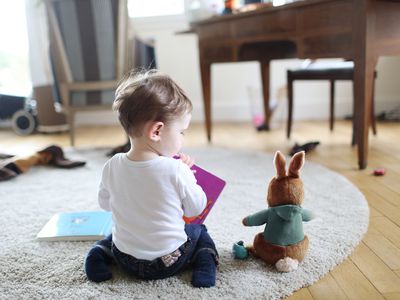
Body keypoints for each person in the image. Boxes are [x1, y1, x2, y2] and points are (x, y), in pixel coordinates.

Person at [84, 69, 218, 287]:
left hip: (125, 260)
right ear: (156, 131)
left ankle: (98, 254)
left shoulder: (112, 165)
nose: (183, 138)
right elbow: (195, 209)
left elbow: (105, 204)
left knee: (117, 232)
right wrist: (188, 178)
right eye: (182, 132)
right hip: (168, 262)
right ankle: (205, 264)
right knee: (199, 232)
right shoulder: (176, 170)